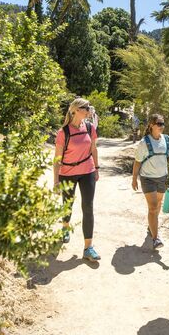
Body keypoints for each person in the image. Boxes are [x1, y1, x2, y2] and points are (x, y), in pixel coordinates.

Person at [54, 97, 101, 261]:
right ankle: (65, 228)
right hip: (67, 173)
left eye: (89, 108)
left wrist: (96, 168)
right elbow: (57, 159)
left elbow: (93, 149)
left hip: (87, 170)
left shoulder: (89, 127)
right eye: (86, 108)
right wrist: (56, 181)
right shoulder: (63, 132)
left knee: (88, 207)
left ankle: (88, 248)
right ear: (76, 110)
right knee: (67, 205)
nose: (89, 110)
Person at [132, 114, 169, 249]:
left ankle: (151, 226)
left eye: (163, 123)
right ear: (151, 125)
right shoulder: (144, 142)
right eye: (159, 123)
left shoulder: (167, 140)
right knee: (152, 207)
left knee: (157, 206)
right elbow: (137, 162)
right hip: (148, 179)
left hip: (162, 178)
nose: (161, 126)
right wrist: (134, 179)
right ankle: (156, 238)